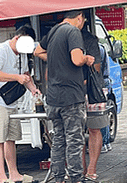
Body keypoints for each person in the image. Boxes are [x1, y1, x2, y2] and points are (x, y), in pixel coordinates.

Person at [33, 10, 94, 183]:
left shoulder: (54, 30)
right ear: (79, 17)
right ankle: (75, 177)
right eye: (83, 21)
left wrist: (55, 59)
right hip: (71, 96)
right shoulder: (73, 31)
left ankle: (58, 177)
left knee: (58, 138)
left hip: (53, 97)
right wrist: (86, 59)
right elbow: (76, 59)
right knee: (74, 139)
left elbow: (37, 51)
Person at [0, 25, 41, 183]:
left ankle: (14, 174)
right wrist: (16, 77)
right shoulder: (0, 50)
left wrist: (33, 90)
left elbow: (26, 75)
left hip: (11, 101)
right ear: (17, 38)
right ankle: (2, 178)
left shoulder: (22, 54)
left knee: (11, 139)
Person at [81, 27, 109, 182]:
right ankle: (91, 170)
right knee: (94, 129)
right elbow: (97, 68)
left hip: (87, 90)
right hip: (93, 91)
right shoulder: (91, 40)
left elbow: (96, 66)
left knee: (77, 132)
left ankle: (85, 169)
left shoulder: (89, 40)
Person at [99, 43, 112, 153]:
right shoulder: (102, 47)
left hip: (100, 83)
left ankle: (104, 142)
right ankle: (106, 142)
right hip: (104, 82)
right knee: (103, 113)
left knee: (99, 113)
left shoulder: (97, 48)